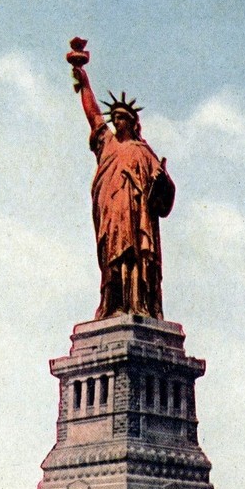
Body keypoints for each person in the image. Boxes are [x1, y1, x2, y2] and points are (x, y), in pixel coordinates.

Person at [72, 66, 175, 320]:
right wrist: (84, 83)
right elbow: (94, 115)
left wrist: (161, 181)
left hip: (137, 216)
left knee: (135, 259)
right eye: (114, 117)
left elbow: (164, 190)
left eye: (121, 117)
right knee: (112, 261)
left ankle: (138, 304)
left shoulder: (142, 151)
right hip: (111, 214)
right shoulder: (107, 143)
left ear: (131, 122)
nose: (116, 121)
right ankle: (113, 305)